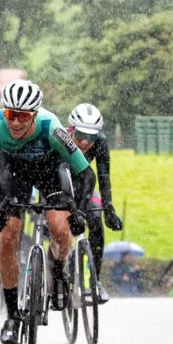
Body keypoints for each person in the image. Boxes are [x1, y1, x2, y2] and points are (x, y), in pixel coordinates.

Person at [0, 80, 95, 344]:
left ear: (34, 114)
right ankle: (12, 317)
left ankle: (57, 269)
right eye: (11, 114)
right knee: (8, 236)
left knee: (59, 227)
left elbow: (86, 174)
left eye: (23, 116)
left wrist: (78, 209)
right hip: (15, 172)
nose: (16, 122)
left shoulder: (53, 128)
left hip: (49, 170)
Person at [67, 103, 123, 304]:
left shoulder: (100, 142)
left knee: (96, 224)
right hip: (60, 184)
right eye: (81, 134)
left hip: (85, 185)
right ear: (71, 129)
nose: (84, 142)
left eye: (90, 137)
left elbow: (104, 176)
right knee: (60, 228)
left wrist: (109, 207)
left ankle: (95, 281)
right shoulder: (61, 138)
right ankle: (59, 273)